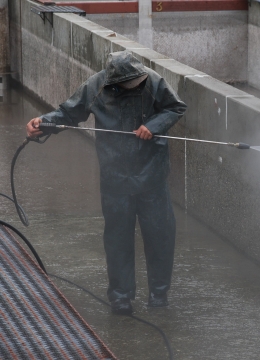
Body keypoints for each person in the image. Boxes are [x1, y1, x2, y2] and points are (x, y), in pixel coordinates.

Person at [26, 50, 187, 315]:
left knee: (160, 234)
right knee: (118, 237)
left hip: (152, 175)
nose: (136, 85)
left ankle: (159, 294)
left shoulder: (154, 81)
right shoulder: (96, 86)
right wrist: (43, 123)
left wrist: (155, 125)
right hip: (116, 177)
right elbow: (68, 114)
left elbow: (176, 107)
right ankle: (121, 297)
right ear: (114, 83)